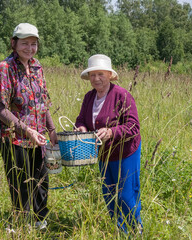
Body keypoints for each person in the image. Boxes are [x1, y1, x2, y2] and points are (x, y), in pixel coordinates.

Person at [0, 23, 57, 229]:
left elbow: (43, 103)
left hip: (39, 138)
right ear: (14, 43)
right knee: (20, 183)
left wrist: (52, 130)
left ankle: (40, 223)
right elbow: (0, 109)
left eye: (33, 44)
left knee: (41, 181)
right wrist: (26, 130)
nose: (29, 48)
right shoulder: (5, 68)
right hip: (14, 137)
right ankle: (20, 224)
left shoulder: (37, 66)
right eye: (24, 43)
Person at [75, 54, 142, 234]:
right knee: (110, 194)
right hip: (103, 153)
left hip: (125, 152)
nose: (96, 79)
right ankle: (120, 230)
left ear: (110, 75)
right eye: (92, 75)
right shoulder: (89, 97)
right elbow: (81, 119)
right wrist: (81, 128)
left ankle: (136, 230)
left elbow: (133, 126)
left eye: (100, 74)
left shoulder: (122, 95)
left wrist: (112, 132)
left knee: (127, 195)